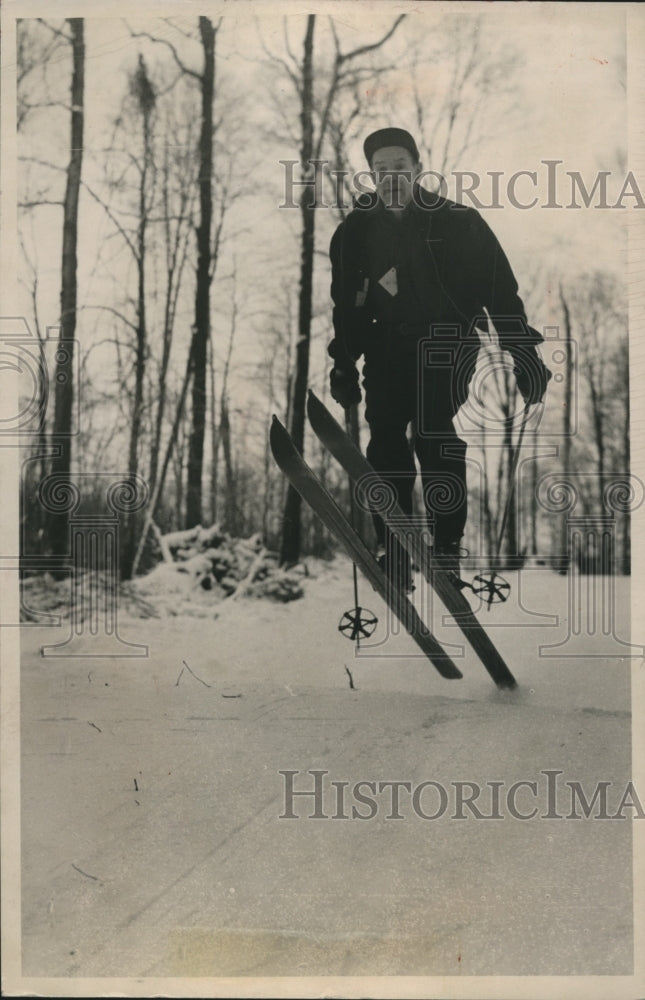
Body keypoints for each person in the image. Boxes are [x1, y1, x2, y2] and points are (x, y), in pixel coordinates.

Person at [328, 127, 551, 590]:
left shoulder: (458, 222)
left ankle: (445, 546)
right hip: (386, 345)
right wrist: (344, 363)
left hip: (446, 344)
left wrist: (524, 354)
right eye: (381, 170)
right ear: (371, 176)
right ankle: (394, 546)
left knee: (435, 433)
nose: (392, 177)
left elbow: (500, 294)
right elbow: (347, 306)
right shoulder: (353, 234)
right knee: (386, 440)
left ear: (418, 170)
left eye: (400, 168)